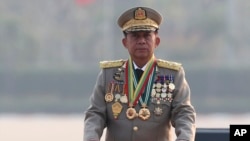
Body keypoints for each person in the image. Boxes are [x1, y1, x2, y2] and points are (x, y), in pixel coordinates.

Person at [84, 6, 196, 141]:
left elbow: (184, 113)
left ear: (157, 41)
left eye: (147, 35)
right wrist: (91, 138)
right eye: (135, 36)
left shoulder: (173, 74)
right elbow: (95, 114)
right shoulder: (109, 74)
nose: (141, 41)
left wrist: (185, 138)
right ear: (125, 42)